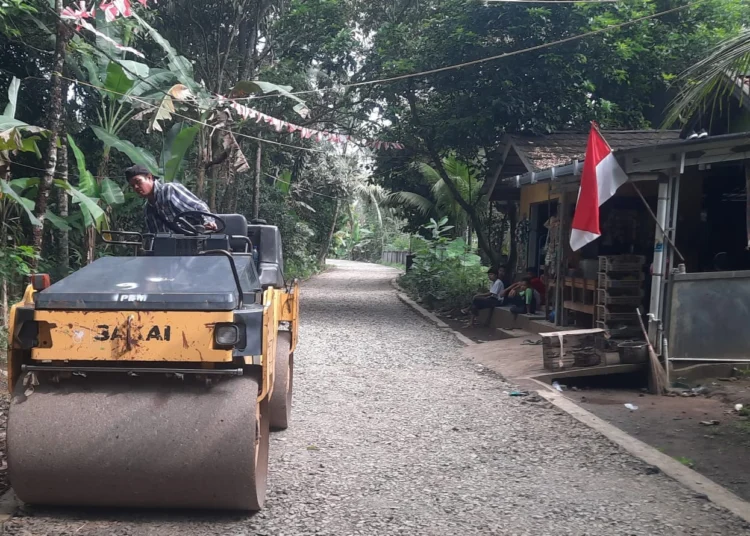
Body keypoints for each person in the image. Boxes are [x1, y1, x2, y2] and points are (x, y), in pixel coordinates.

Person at [124, 165, 217, 234]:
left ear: (149, 177)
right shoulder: (148, 210)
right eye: (133, 186)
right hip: (170, 252)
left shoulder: (169, 190)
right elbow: (154, 235)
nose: (136, 187)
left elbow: (199, 206)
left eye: (138, 182)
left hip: (193, 242)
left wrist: (208, 221)